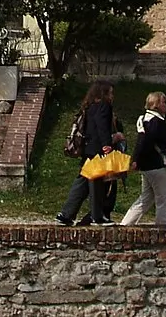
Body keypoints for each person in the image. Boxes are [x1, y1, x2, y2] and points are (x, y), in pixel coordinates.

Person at [54, 81, 123, 225]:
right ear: (104, 94)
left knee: (82, 182)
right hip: (97, 151)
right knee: (97, 184)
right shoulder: (104, 106)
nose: (113, 96)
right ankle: (97, 217)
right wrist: (107, 144)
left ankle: (66, 214)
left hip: (88, 149)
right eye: (110, 93)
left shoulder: (89, 107)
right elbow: (102, 126)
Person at [121, 90, 166, 226]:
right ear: (156, 104)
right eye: (164, 102)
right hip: (156, 165)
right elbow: (145, 142)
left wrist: (136, 160)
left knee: (146, 198)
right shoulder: (155, 122)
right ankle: (162, 225)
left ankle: (125, 224)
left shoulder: (146, 119)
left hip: (146, 166)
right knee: (164, 197)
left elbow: (143, 141)